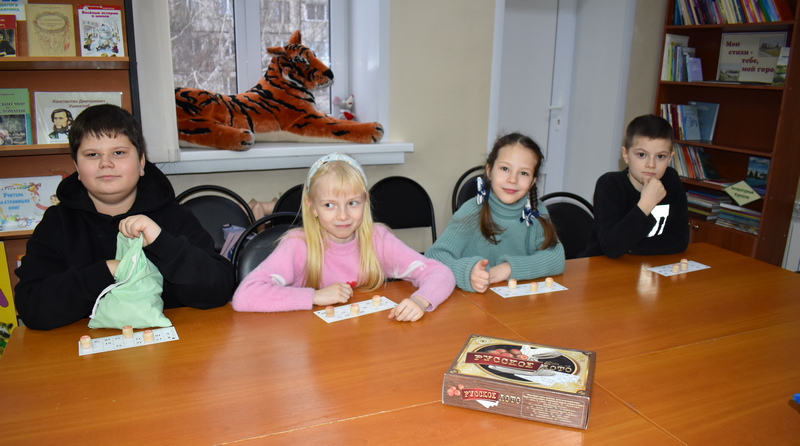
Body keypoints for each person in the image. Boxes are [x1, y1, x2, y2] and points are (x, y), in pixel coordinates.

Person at [15, 104, 235, 330]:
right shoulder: (58, 223)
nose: (106, 163)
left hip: (167, 341)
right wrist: (109, 270)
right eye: (92, 155)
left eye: (118, 153)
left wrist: (163, 244)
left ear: (141, 162)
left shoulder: (173, 216)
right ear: (77, 168)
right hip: (85, 346)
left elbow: (218, 289)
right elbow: (32, 307)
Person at [232, 152, 455, 322]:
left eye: (352, 203)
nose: (342, 215)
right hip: (314, 342)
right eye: (329, 205)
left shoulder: (378, 239)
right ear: (312, 207)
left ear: (365, 202)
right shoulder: (298, 245)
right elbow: (245, 296)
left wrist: (420, 300)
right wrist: (314, 297)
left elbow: (440, 273)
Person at [425, 133, 565, 293]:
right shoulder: (472, 211)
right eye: (505, 169)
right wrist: (467, 272)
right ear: (489, 170)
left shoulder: (535, 211)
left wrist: (507, 269)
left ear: (533, 181)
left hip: (518, 302)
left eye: (523, 173)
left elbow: (556, 258)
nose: (512, 179)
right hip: (473, 302)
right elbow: (434, 256)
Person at [583, 114, 689, 258]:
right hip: (602, 265)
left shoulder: (671, 180)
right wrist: (646, 204)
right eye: (641, 155)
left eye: (660, 156)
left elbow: (680, 241)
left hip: (645, 265)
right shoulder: (609, 185)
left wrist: (628, 246)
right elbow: (611, 248)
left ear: (670, 158)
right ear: (626, 155)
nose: (651, 165)